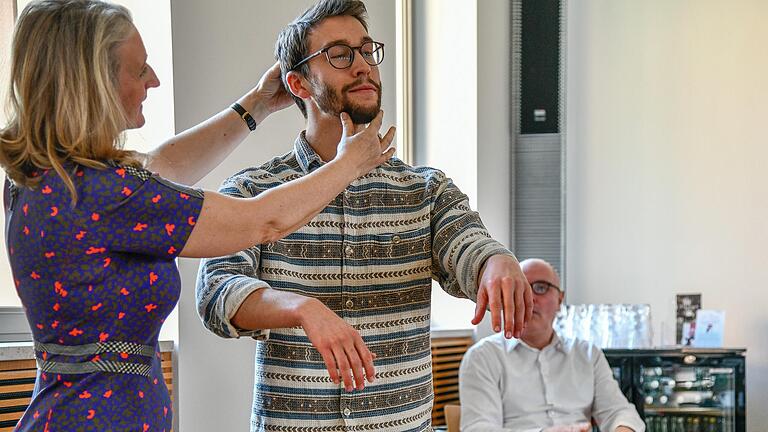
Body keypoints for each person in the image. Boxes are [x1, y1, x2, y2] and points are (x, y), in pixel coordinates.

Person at [0, 1, 394, 430]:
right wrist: (349, 164)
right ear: (92, 83)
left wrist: (257, 104)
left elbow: (156, 168)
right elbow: (261, 222)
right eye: (139, 70)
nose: (154, 79)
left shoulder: (50, 178)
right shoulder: (101, 193)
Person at [195, 0, 533, 430]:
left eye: (367, 50)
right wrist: (302, 308)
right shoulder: (253, 189)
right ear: (298, 83)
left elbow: (468, 245)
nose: (362, 66)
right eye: (339, 54)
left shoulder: (426, 191)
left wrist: (496, 262)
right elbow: (217, 291)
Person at [458, 258, 645, 432]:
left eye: (541, 287)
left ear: (560, 300)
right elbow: (478, 428)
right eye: (519, 288)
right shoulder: (482, 357)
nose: (529, 298)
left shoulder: (587, 354)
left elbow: (619, 411)